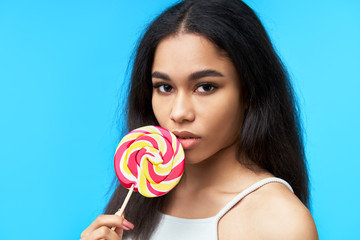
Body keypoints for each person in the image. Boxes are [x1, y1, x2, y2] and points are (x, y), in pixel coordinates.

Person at [81, 0, 318, 239]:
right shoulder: (138, 192)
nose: (179, 113)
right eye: (165, 87)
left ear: (249, 92)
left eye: (205, 87)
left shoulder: (279, 221)